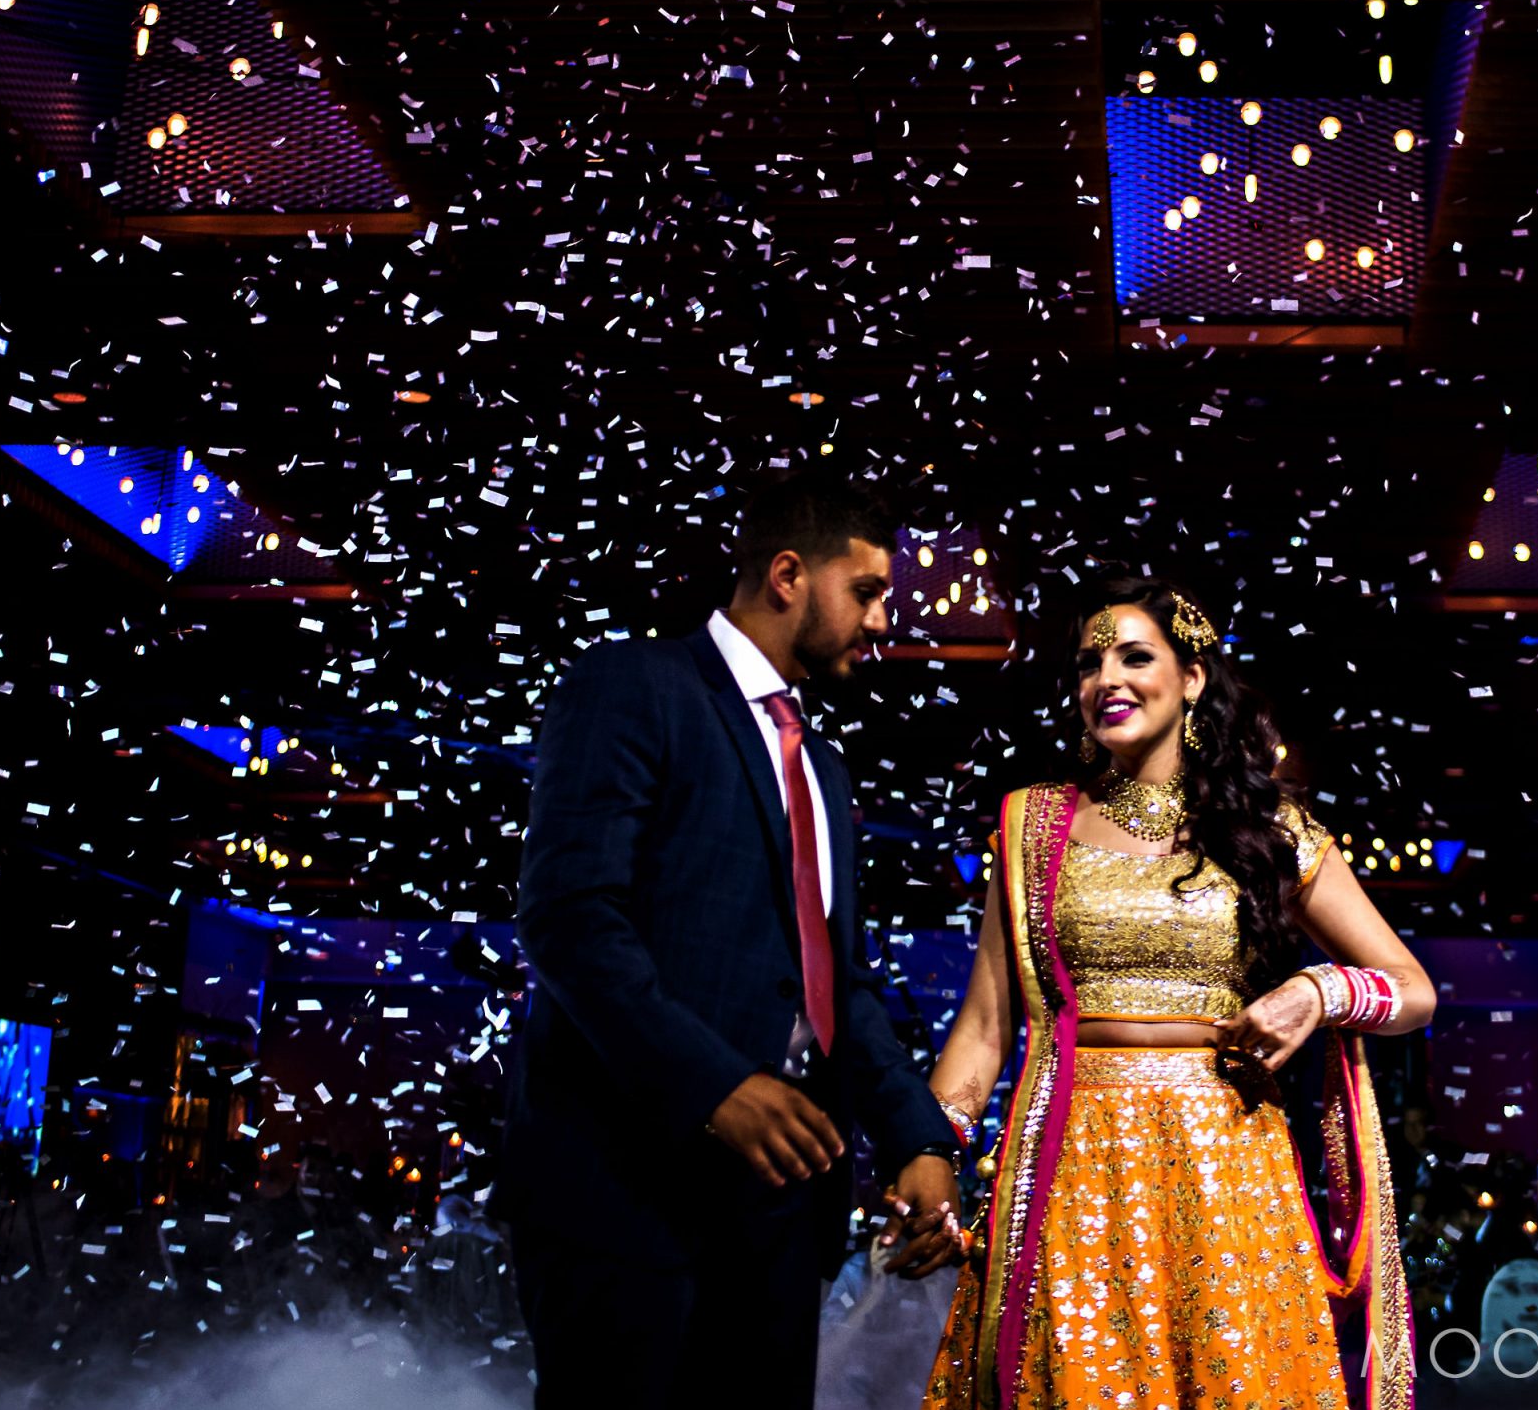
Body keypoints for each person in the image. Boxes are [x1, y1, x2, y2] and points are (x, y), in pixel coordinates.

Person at [499, 471, 964, 1407]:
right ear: (789, 575)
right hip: (628, 1199)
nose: (882, 623)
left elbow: (843, 986)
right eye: (867, 592)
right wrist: (714, 1085)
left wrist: (919, 1137)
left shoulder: (822, 766)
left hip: (783, 1218)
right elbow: (570, 919)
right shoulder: (632, 685)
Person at [921, 573, 1436, 1410]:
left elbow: (1412, 990)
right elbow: (985, 1026)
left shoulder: (1268, 828)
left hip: (1229, 1162)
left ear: (1192, 677)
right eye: (1089, 664)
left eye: (1133, 656)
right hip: (1073, 1167)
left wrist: (1317, 989)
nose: (1105, 681)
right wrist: (929, 1152)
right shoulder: (1032, 824)